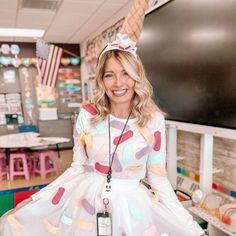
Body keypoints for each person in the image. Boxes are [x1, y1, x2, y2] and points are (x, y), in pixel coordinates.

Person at [0, 33, 205, 236]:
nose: (118, 83)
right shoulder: (87, 115)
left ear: (137, 77)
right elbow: (77, 168)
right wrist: (35, 199)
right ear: (101, 79)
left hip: (131, 210)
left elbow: (158, 178)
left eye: (126, 73)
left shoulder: (153, 120)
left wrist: (191, 227)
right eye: (110, 75)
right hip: (85, 205)